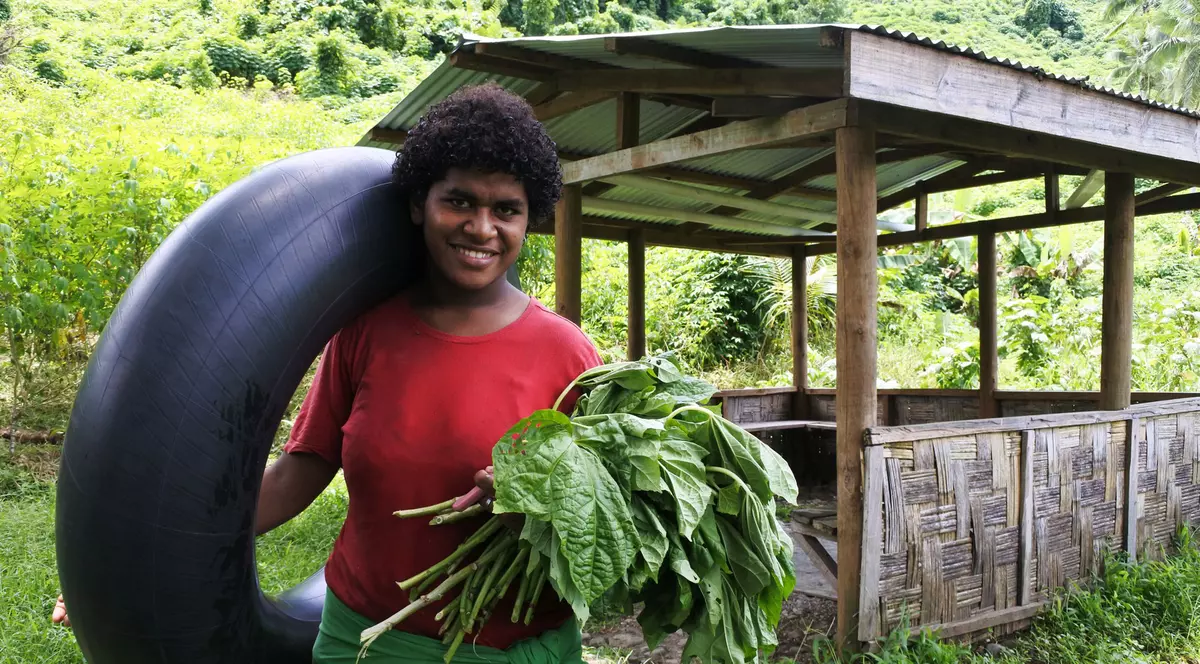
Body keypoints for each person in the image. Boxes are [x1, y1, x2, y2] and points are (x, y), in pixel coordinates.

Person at [53, 82, 601, 664]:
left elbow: (607, 515)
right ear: (420, 204)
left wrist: (538, 498)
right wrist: (138, 564)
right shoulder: (366, 335)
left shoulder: (567, 355)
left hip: (505, 650)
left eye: (506, 210)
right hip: (358, 640)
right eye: (460, 201)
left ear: (527, 220)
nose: (481, 227)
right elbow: (299, 474)